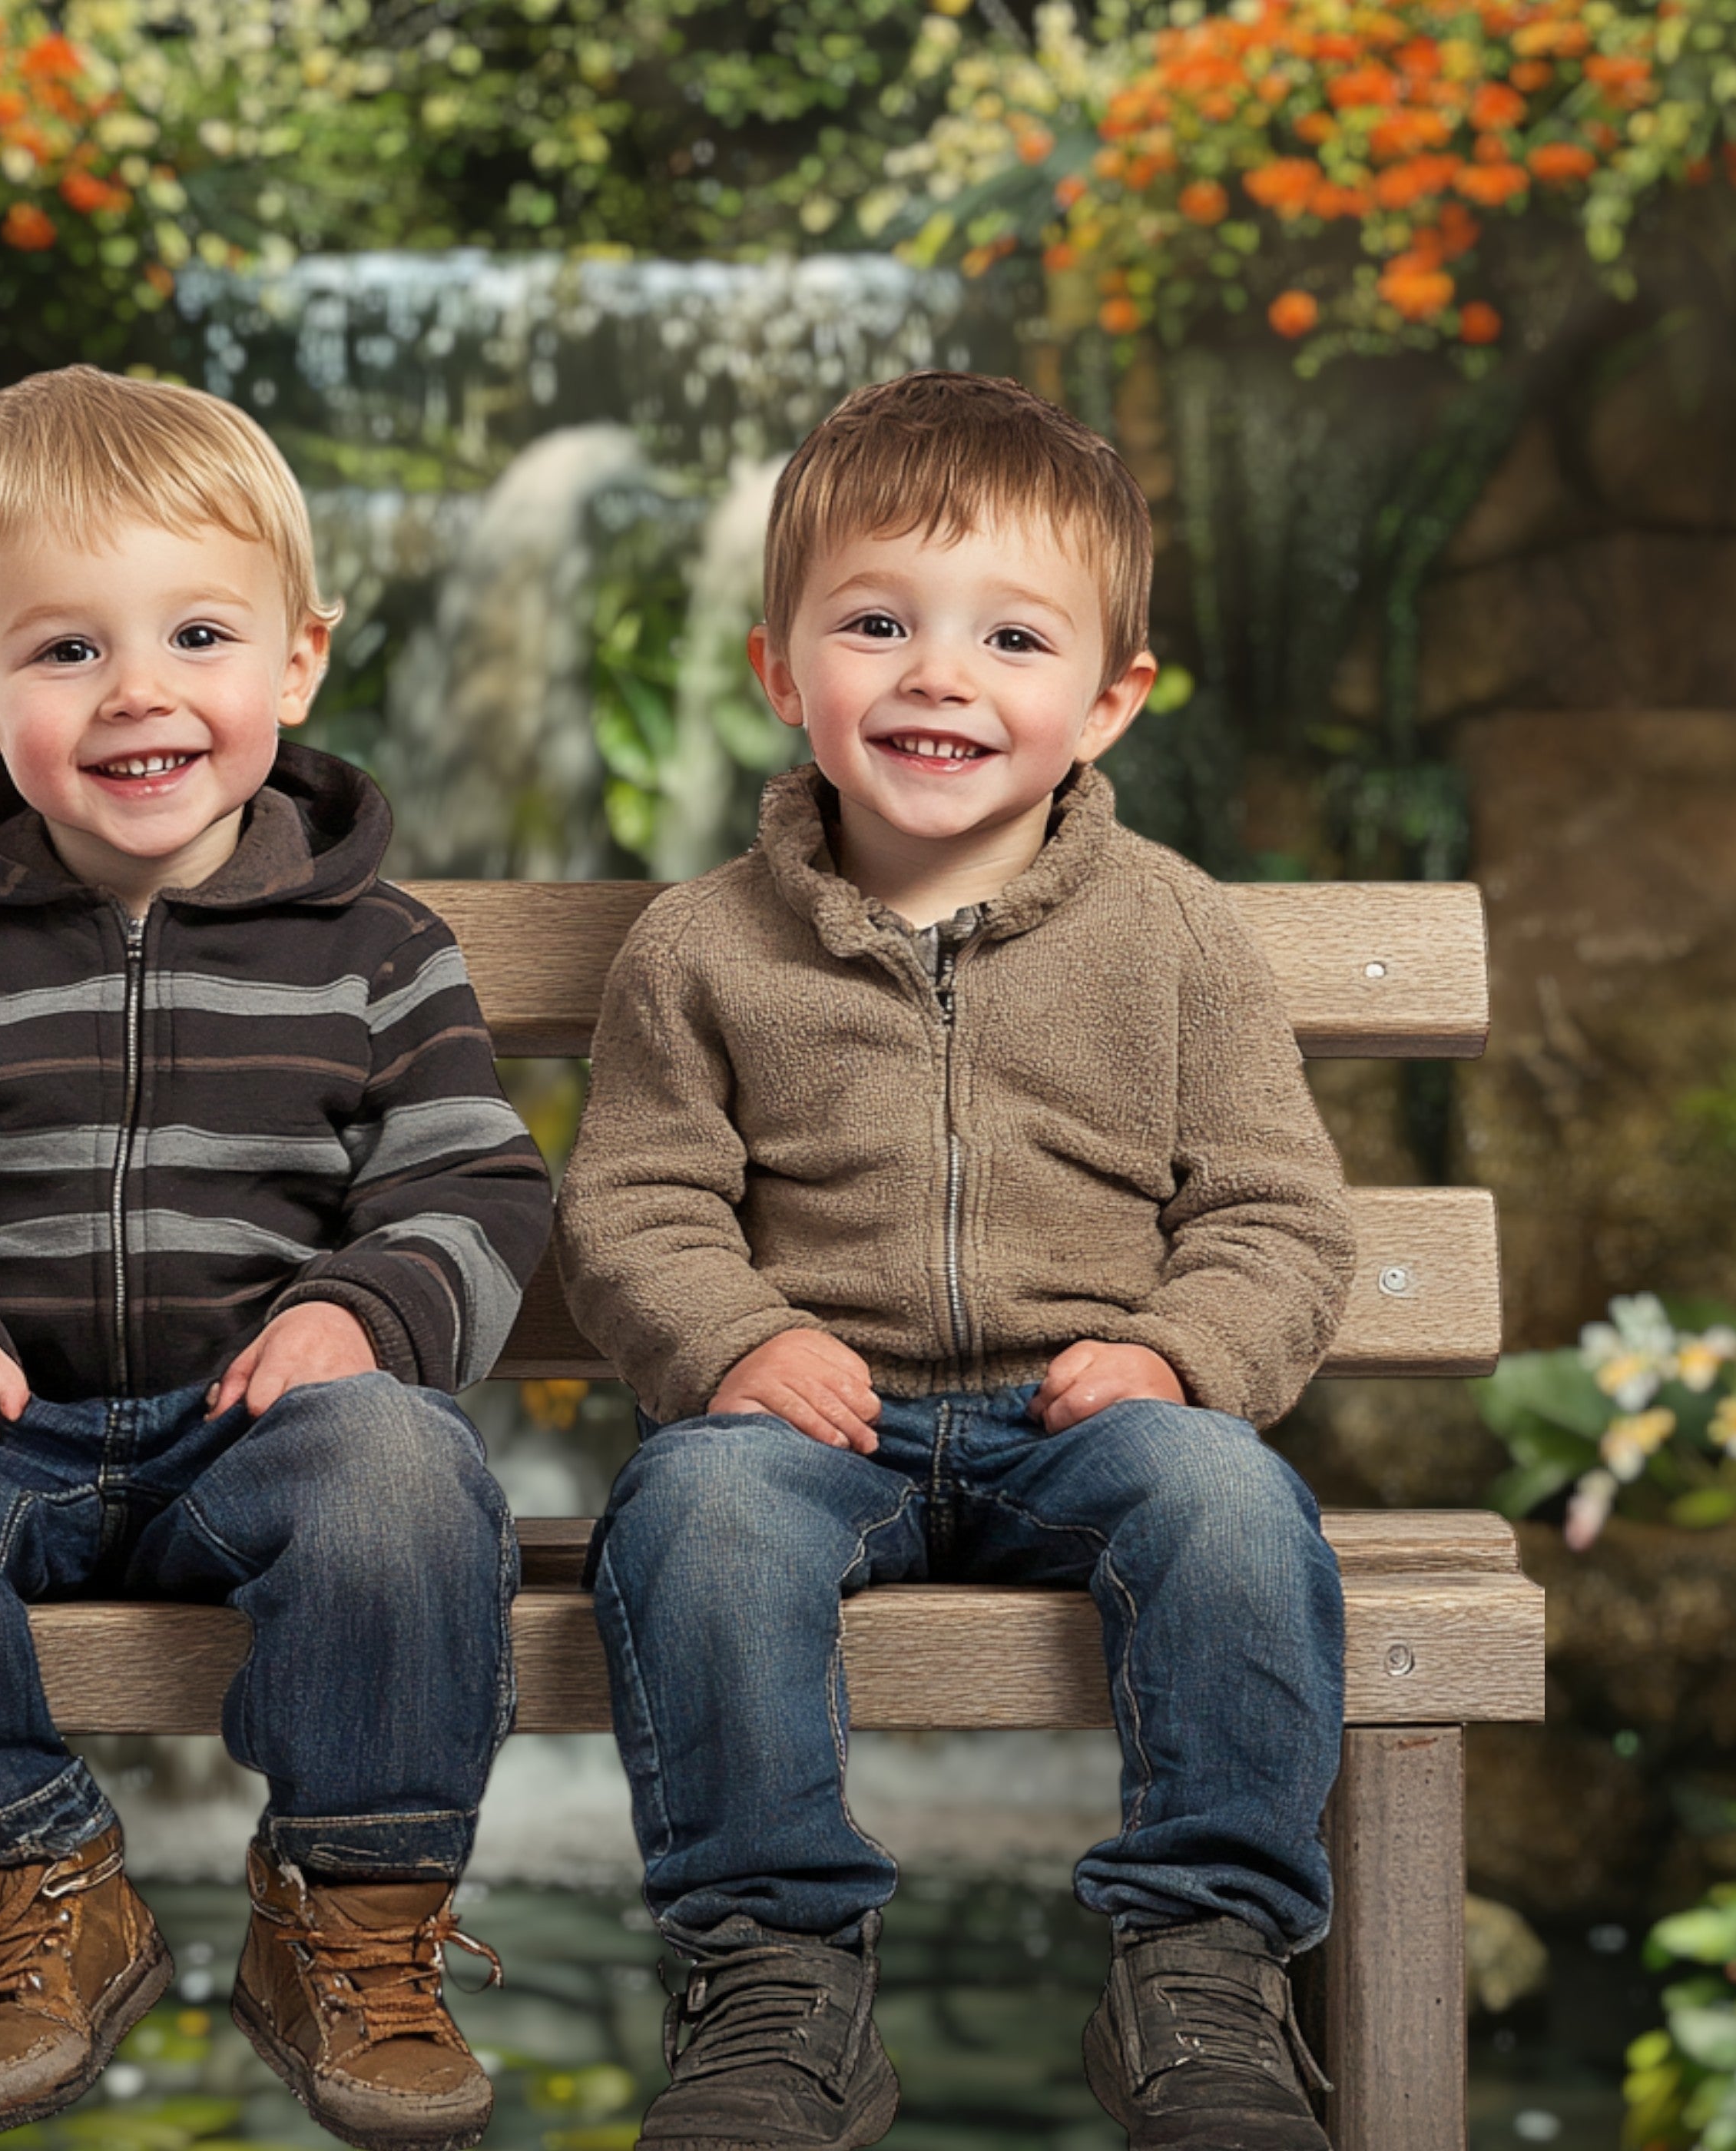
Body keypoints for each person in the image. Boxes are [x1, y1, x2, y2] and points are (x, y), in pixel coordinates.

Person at [0, 366, 552, 2149]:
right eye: (66, 649)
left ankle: (347, 1916)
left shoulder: (379, 945)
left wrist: (361, 1311)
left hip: (259, 1428)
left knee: (406, 1466)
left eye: (195, 634)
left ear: (296, 662)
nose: (138, 689)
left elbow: (472, 1183)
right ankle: (25, 1888)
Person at [558, 369, 1359, 2151]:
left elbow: (1272, 1211)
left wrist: (1173, 1356)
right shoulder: (698, 946)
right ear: (779, 670)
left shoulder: (1173, 933)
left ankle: (1203, 1970)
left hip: (1091, 1419)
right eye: (875, 624)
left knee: (1228, 1500)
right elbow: (632, 1201)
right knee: (693, 1510)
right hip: (807, 1428)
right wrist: (732, 1339)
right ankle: (773, 1978)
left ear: (1107, 699)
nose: (938, 674)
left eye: (1009, 635)